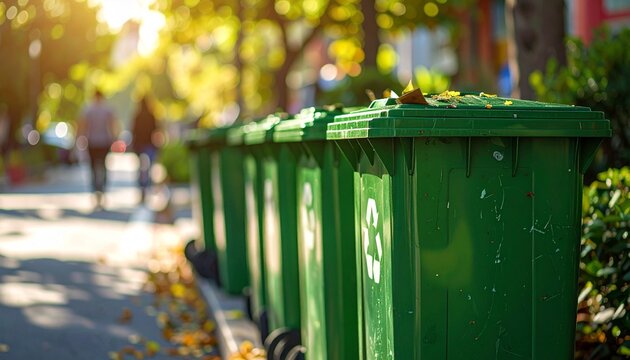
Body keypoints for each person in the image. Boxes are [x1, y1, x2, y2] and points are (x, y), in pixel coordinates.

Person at [77, 89, 118, 210]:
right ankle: (102, 191)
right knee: (104, 167)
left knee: (93, 168)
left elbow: (82, 126)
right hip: (105, 142)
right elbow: (113, 125)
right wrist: (115, 138)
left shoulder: (88, 109)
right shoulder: (108, 109)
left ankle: (96, 192)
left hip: (92, 143)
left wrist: (79, 140)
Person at [130, 96, 158, 203]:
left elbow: (133, 131)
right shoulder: (151, 116)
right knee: (148, 168)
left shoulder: (137, 116)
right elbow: (156, 130)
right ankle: (146, 188)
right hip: (149, 145)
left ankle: (142, 188)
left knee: (141, 168)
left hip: (140, 146)